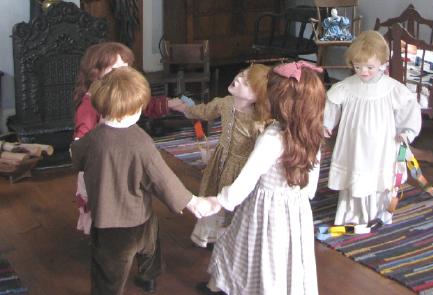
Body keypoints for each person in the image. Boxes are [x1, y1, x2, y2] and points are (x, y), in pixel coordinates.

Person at [70, 67, 220, 295]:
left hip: (107, 220)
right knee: (151, 249)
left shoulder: (93, 139)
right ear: (135, 109)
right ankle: (148, 278)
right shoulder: (142, 142)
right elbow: (162, 179)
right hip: (141, 216)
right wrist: (193, 202)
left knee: (108, 269)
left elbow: (76, 157)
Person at [198, 61, 325, 295]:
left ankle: (233, 287)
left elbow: (249, 177)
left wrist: (221, 200)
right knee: (286, 258)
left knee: (245, 250)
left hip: (263, 209)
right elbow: (311, 187)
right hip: (295, 210)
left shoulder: (273, 137)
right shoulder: (313, 134)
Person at [324, 31, 422, 226]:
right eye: (357, 66)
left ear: (382, 63)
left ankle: (378, 211)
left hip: (381, 145)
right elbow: (331, 106)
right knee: (355, 173)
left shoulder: (392, 89)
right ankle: (352, 213)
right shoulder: (346, 87)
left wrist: (406, 132)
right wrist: (326, 124)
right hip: (353, 144)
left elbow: (409, 109)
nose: (363, 71)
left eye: (370, 67)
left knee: (378, 177)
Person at [170, 64, 271, 248]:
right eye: (241, 74)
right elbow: (204, 111)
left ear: (258, 95)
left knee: (235, 204)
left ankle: (232, 241)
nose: (239, 78)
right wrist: (184, 107)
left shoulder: (259, 118)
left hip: (241, 168)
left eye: (246, 82)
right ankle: (212, 235)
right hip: (220, 160)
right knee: (213, 193)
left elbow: (264, 150)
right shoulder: (225, 103)